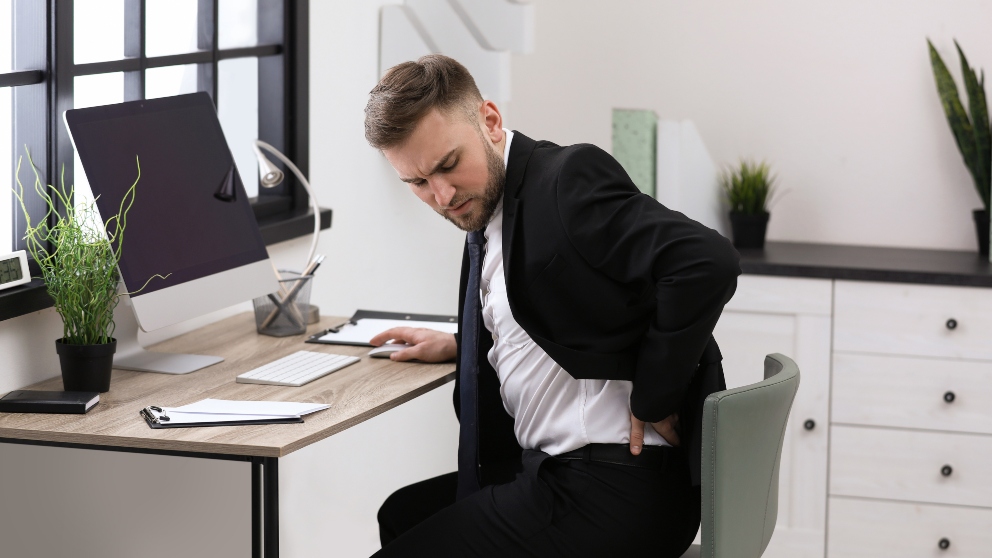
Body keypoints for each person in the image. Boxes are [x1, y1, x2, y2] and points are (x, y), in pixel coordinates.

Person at [363, 54, 740, 558]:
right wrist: (465, 345)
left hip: (614, 486)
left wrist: (654, 394)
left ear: (490, 121)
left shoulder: (564, 181)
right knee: (402, 514)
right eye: (417, 183)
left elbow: (706, 261)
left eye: (449, 165)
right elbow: (555, 302)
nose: (442, 194)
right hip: (567, 470)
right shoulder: (492, 207)